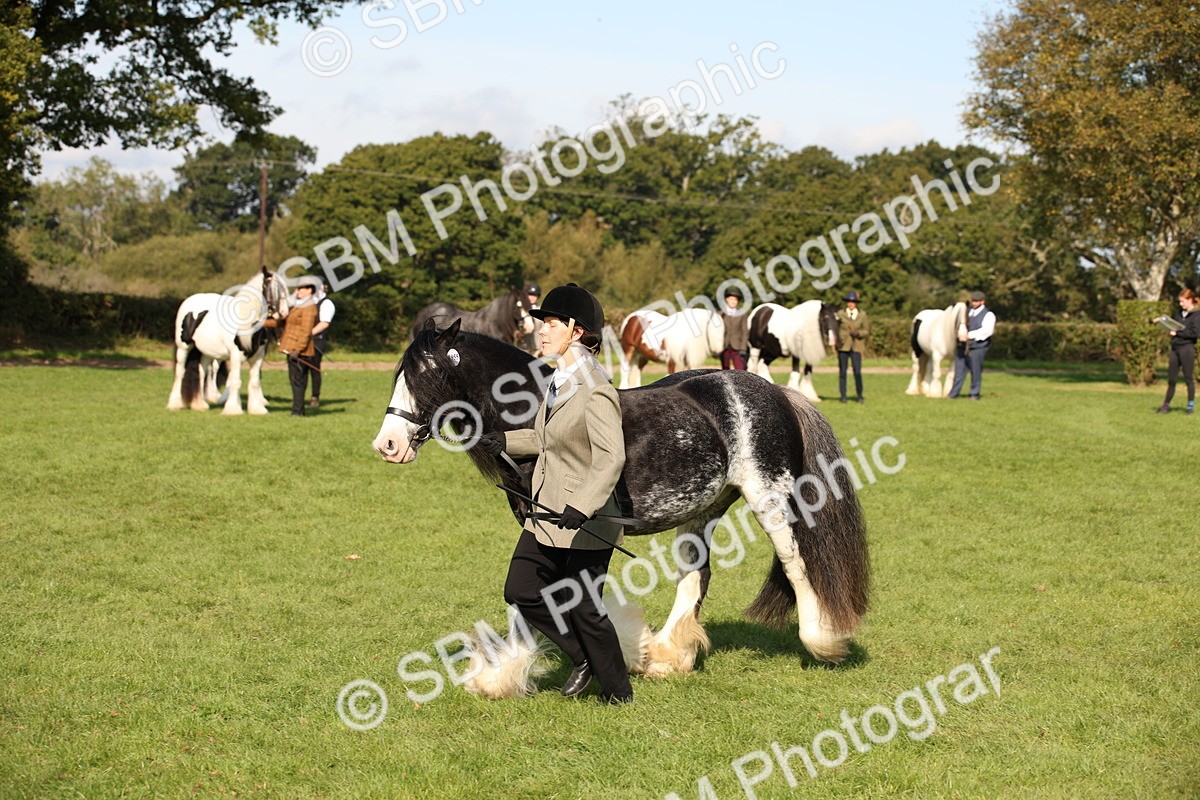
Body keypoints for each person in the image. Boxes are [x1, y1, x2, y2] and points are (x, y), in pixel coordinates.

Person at [478, 283, 633, 704]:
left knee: (583, 608)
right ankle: (583, 658)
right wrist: (505, 441)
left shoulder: (595, 387)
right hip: (545, 512)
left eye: (550, 324)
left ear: (576, 331)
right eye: (541, 323)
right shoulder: (560, 378)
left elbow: (610, 458)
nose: (541, 332)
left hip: (585, 517)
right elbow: (549, 437)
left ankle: (619, 694)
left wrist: (581, 508)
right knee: (521, 589)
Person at [279, 275, 320, 417]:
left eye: (302, 288)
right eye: (298, 288)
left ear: (310, 290)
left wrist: (298, 349)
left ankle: (297, 411)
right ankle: (298, 410)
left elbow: (306, 331)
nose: (299, 291)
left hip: (300, 351)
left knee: (298, 381)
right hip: (292, 348)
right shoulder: (298, 305)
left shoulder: (309, 307)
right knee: (296, 381)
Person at [1156, 287, 1200, 415]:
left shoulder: (1197, 315)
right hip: (1175, 348)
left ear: (1190, 300)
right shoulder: (1179, 313)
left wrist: (1178, 333)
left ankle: (1190, 406)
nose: (1180, 304)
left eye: (1182, 301)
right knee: (1172, 379)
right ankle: (1165, 405)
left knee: (1188, 378)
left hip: (1187, 348)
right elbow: (1173, 324)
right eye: (1179, 302)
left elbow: (1195, 333)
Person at [948, 290, 996, 400]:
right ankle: (953, 393)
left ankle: (974, 394)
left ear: (982, 302)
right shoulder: (967, 312)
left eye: (976, 301)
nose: (974, 303)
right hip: (963, 346)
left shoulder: (988, 315)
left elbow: (987, 331)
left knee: (975, 371)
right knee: (959, 371)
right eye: (973, 301)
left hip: (977, 347)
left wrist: (969, 335)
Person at [836, 291, 870, 403]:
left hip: (856, 346)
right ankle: (843, 395)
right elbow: (836, 329)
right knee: (842, 372)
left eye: (853, 302)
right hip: (843, 346)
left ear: (856, 303)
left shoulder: (862, 315)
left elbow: (867, 331)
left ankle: (859, 395)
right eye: (849, 301)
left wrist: (859, 333)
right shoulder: (840, 314)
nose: (851, 304)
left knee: (857, 372)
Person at [307, 279, 335, 408]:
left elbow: (324, 323)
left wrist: (307, 334)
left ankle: (315, 397)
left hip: (316, 341)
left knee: (314, 369)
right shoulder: (308, 302)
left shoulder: (326, 303)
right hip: (304, 341)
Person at [720, 287, 749, 370]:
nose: (733, 302)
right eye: (731, 299)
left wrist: (743, 348)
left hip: (738, 347)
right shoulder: (721, 314)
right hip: (724, 346)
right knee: (725, 371)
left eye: (735, 300)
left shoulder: (742, 313)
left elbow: (745, 331)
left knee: (740, 370)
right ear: (727, 300)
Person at [521, 282, 541, 354]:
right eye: (530, 294)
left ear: (538, 296)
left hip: (538, 348)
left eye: (534, 295)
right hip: (523, 347)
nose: (532, 297)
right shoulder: (520, 311)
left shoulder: (540, 310)